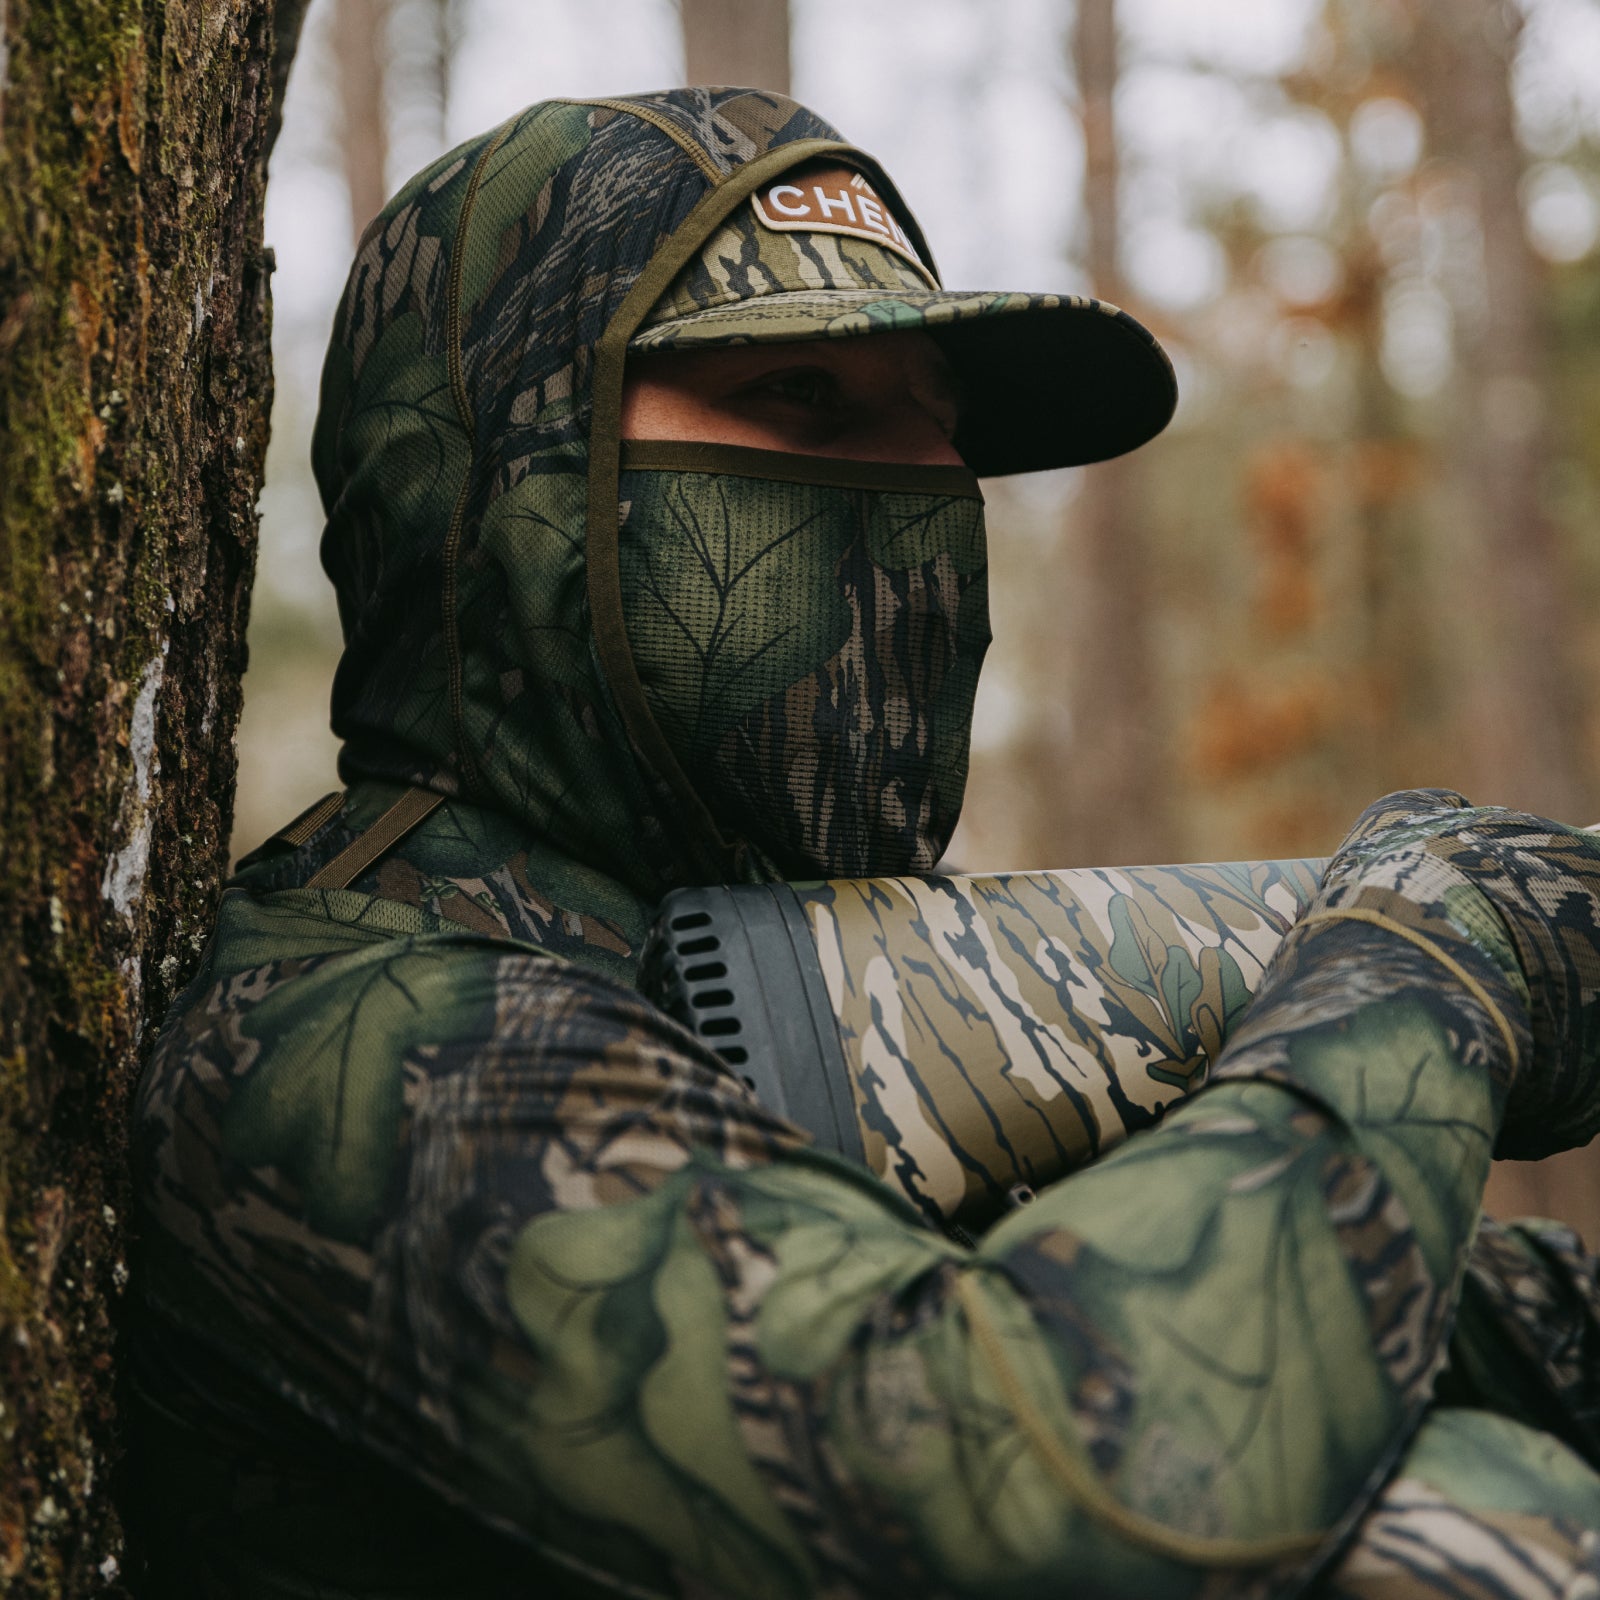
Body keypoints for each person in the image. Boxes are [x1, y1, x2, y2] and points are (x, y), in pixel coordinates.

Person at [126, 87, 1600, 1597]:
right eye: (809, 401)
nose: (926, 494)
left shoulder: (847, 1004)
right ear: (523, 488)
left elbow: (1499, 1328)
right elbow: (1051, 1497)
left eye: (941, 428)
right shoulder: (332, 1047)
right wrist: (1440, 960)